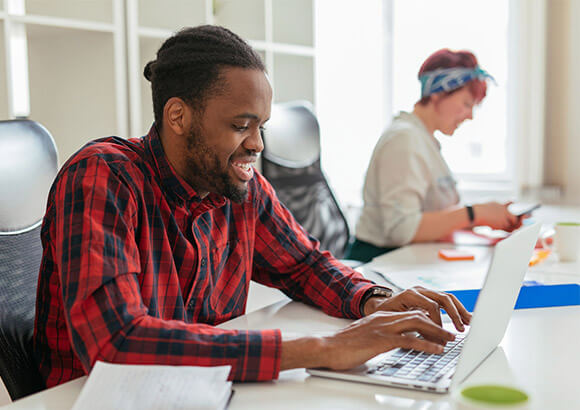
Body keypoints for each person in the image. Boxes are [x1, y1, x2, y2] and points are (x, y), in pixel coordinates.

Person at [33, 26, 470, 388]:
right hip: (92, 397)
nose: (257, 145)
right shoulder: (103, 177)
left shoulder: (237, 185)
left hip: (198, 390)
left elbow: (304, 265)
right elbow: (117, 343)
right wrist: (322, 349)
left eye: (261, 126)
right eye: (241, 125)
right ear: (178, 116)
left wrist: (373, 300)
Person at [348, 49, 522, 263]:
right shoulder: (404, 140)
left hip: (407, 260)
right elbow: (401, 229)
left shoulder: (423, 140)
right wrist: (474, 213)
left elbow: (433, 216)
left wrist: (486, 216)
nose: (470, 116)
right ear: (438, 93)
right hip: (380, 263)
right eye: (467, 104)